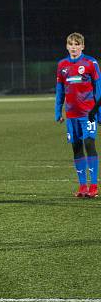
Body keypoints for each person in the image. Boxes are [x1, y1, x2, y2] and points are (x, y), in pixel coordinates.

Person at [55, 32, 100, 198]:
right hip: (71, 114)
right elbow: (60, 90)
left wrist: (98, 112)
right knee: (76, 147)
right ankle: (82, 186)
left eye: (77, 44)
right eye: (71, 44)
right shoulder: (62, 65)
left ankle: (93, 186)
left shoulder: (91, 63)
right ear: (67, 46)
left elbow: (98, 88)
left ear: (82, 46)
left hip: (88, 113)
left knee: (89, 144)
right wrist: (57, 111)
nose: (73, 47)